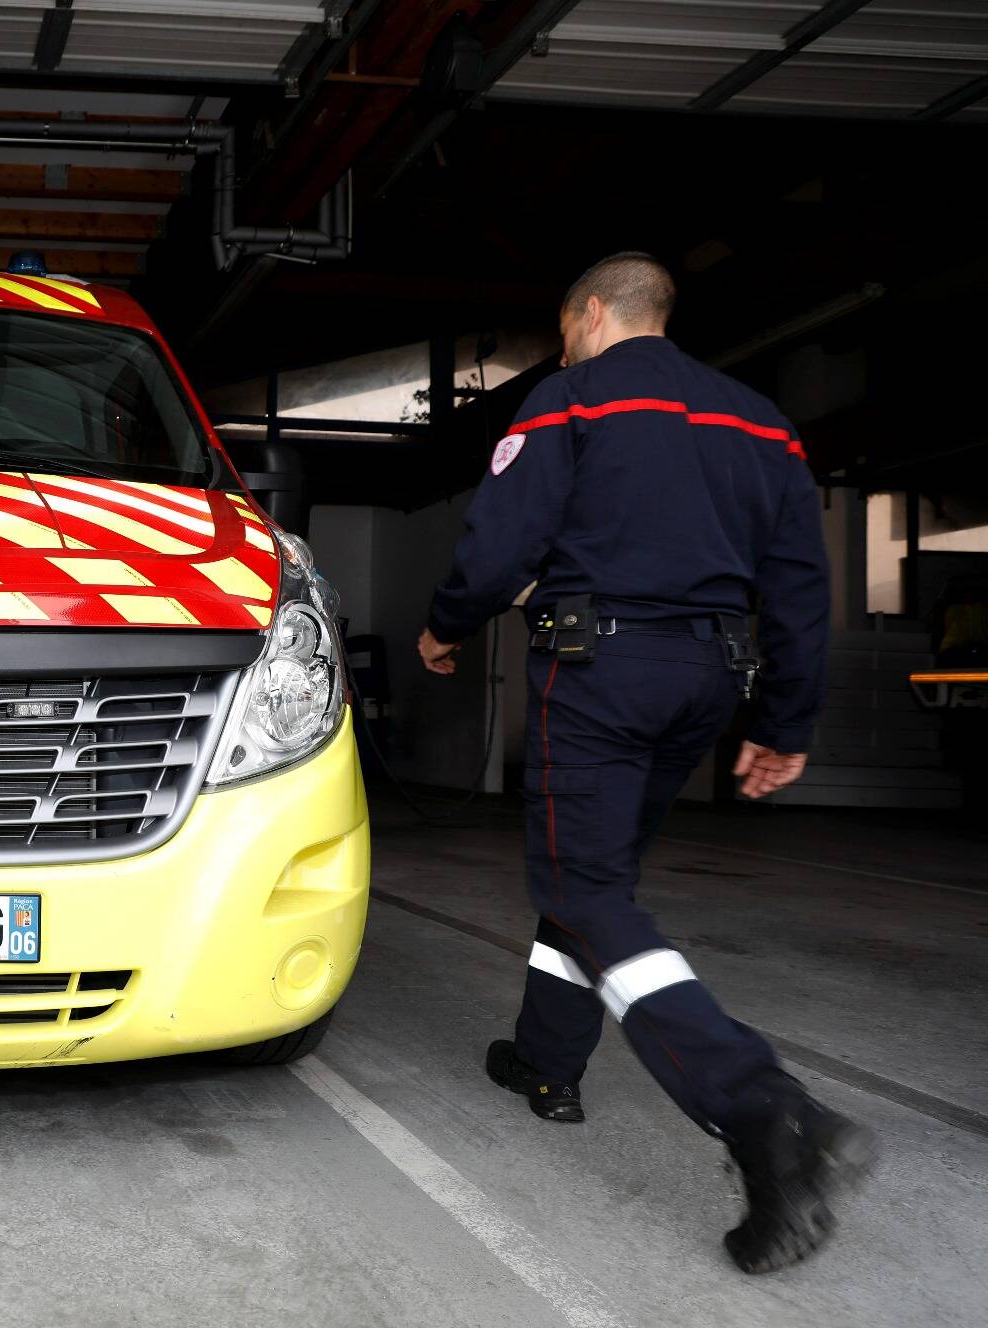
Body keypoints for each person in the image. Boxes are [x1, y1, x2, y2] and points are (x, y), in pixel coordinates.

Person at [415, 252, 875, 1274]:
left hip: (597, 670)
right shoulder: (755, 417)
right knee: (595, 875)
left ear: (585, 312)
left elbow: (496, 547)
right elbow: (798, 581)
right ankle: (545, 1058)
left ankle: (759, 1107)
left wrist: (444, 625)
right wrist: (783, 719)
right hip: (709, 676)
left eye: (565, 324)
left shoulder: (569, 397)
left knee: (580, 883)